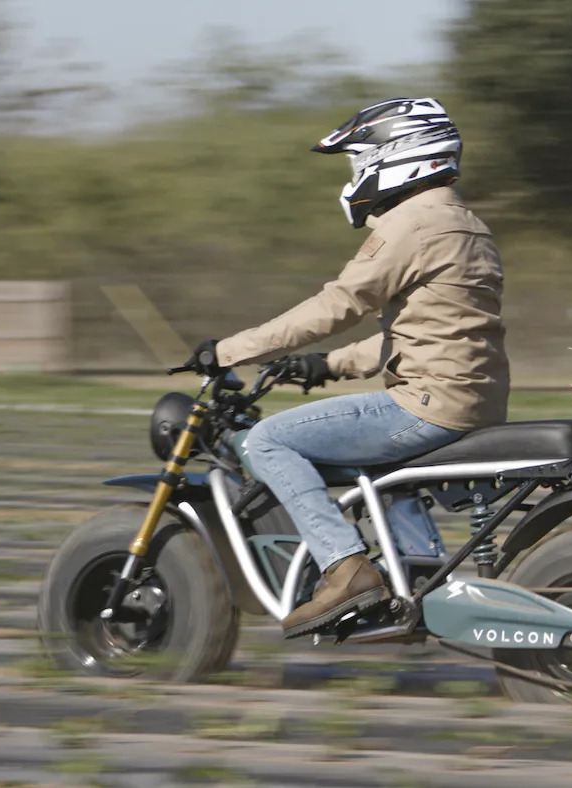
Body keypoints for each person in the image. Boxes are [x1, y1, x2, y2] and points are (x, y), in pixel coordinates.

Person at [187, 97, 511, 638]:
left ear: (397, 154)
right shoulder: (469, 225)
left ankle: (345, 567)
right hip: (474, 401)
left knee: (269, 440)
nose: (356, 175)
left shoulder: (413, 223)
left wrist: (228, 351)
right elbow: (425, 333)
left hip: (427, 405)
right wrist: (325, 366)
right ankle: (416, 575)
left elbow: (336, 306)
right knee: (376, 463)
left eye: (361, 160)